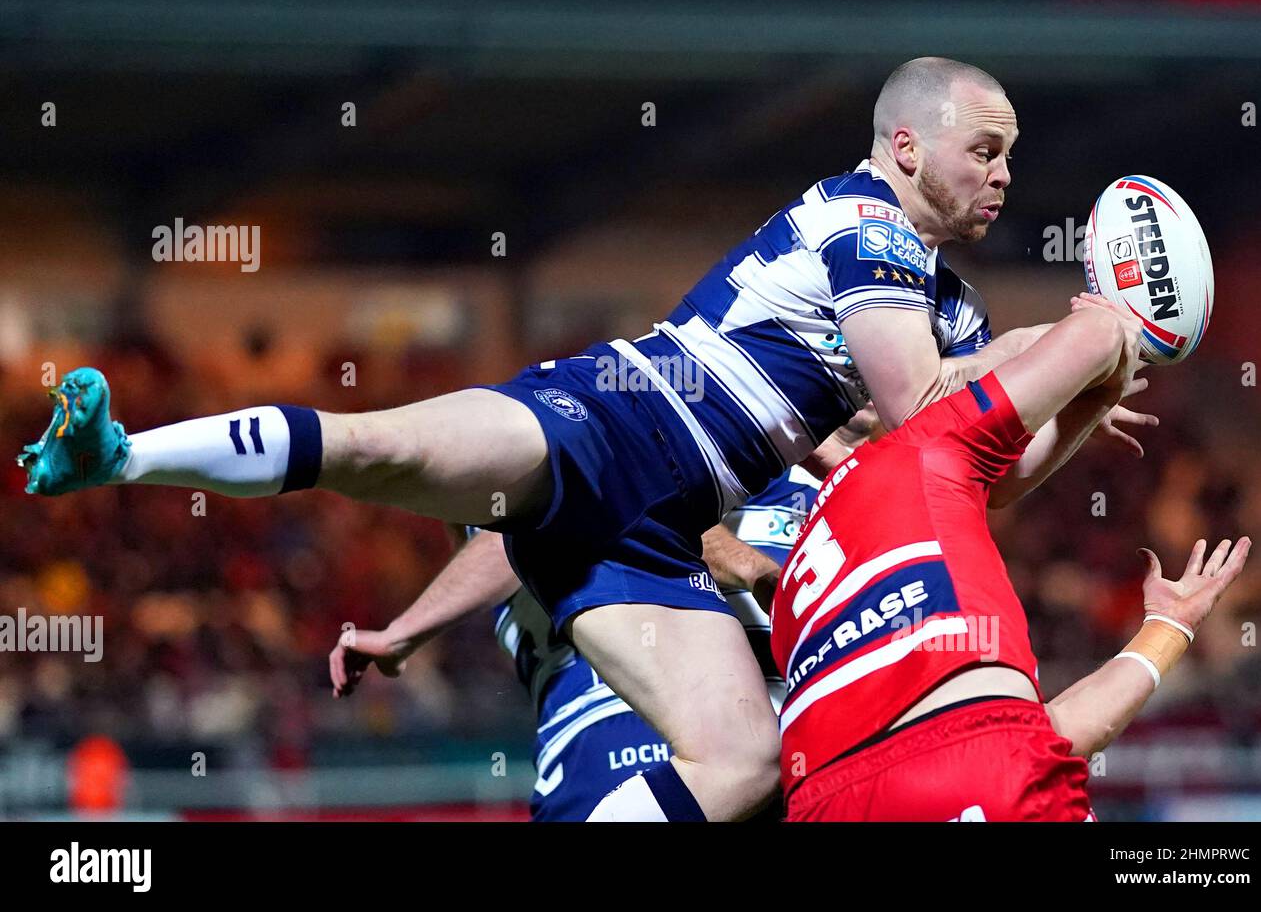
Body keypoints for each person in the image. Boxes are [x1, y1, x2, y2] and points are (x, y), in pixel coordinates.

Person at [18, 57, 1151, 820]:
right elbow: (923, 412)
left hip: (657, 535)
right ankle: (121, 454)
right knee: (378, 447)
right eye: (984, 151)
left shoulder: (945, 306)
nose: (1003, 175)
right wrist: (1090, 330)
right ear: (905, 145)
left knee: (748, 764)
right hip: (611, 415)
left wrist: (1087, 398)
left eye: (1009, 157)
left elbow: (971, 473)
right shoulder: (861, 221)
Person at [770, 294, 1249, 821]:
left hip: (823, 799)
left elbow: (1048, 733)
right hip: (988, 766)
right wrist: (1116, 326)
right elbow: (1095, 339)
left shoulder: (792, 584)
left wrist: (1168, 626)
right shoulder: (921, 449)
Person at [328, 469, 818, 821]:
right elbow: (522, 533)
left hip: (772, 750)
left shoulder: (812, 490)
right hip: (613, 743)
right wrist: (400, 634)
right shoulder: (543, 517)